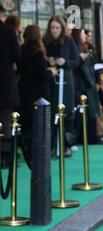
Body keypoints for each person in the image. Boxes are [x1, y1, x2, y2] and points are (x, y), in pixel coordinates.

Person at [18, 24, 58, 153]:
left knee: (27, 125)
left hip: (24, 91)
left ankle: (28, 149)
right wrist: (51, 72)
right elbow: (42, 73)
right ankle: (39, 150)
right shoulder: (38, 51)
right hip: (39, 93)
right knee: (40, 123)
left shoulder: (22, 49)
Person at [43, 16, 80, 157]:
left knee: (67, 112)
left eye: (57, 28)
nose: (54, 30)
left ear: (62, 28)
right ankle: (53, 145)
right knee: (52, 113)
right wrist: (49, 61)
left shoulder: (69, 41)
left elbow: (76, 61)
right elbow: (41, 60)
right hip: (51, 81)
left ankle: (67, 145)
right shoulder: (46, 41)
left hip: (66, 81)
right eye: (52, 27)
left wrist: (64, 62)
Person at [0, 4, 21, 168]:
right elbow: (17, 56)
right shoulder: (8, 32)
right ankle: (6, 157)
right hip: (5, 82)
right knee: (6, 120)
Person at [72, 28, 101, 145]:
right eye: (83, 34)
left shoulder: (84, 48)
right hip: (84, 85)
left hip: (86, 84)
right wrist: (92, 83)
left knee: (89, 112)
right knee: (88, 112)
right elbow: (84, 69)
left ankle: (90, 137)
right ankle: (89, 138)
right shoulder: (78, 49)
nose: (85, 36)